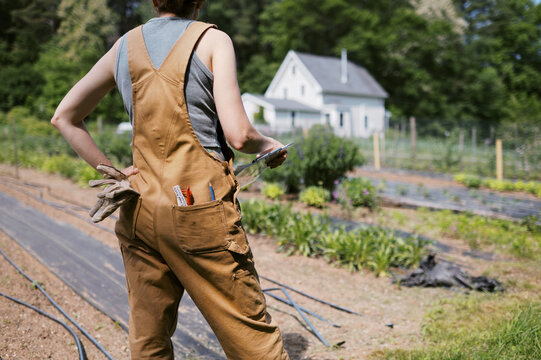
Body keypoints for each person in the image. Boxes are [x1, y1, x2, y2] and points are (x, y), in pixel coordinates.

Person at [51, 0, 290, 358]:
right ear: (199, 1)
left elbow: (64, 117)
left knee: (149, 341)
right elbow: (239, 136)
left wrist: (115, 174)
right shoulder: (213, 40)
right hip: (201, 213)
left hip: (139, 210)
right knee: (252, 341)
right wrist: (267, 144)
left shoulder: (124, 46)